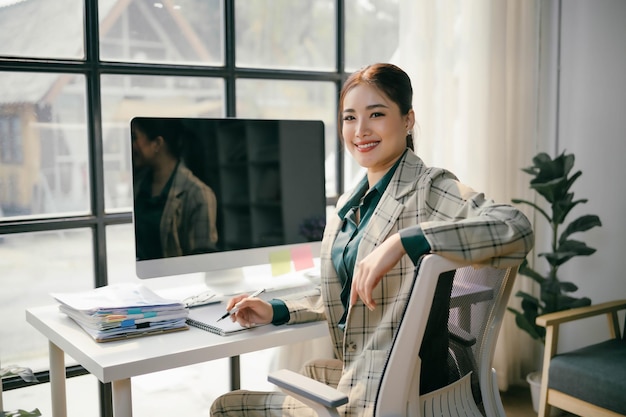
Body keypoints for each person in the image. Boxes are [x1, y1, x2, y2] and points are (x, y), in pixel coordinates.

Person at [210, 63, 534, 416]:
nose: (360, 130)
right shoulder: (353, 202)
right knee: (310, 371)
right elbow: (353, 293)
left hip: (391, 391)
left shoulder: (429, 188)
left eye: (376, 114)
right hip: (369, 375)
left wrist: (405, 241)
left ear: (408, 120)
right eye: (349, 118)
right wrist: (277, 309)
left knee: (227, 406)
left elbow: (516, 227)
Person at [131, 117, 218, 260]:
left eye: (135, 137)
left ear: (157, 144)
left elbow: (202, 260)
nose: (131, 145)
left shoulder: (198, 194)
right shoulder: (138, 185)